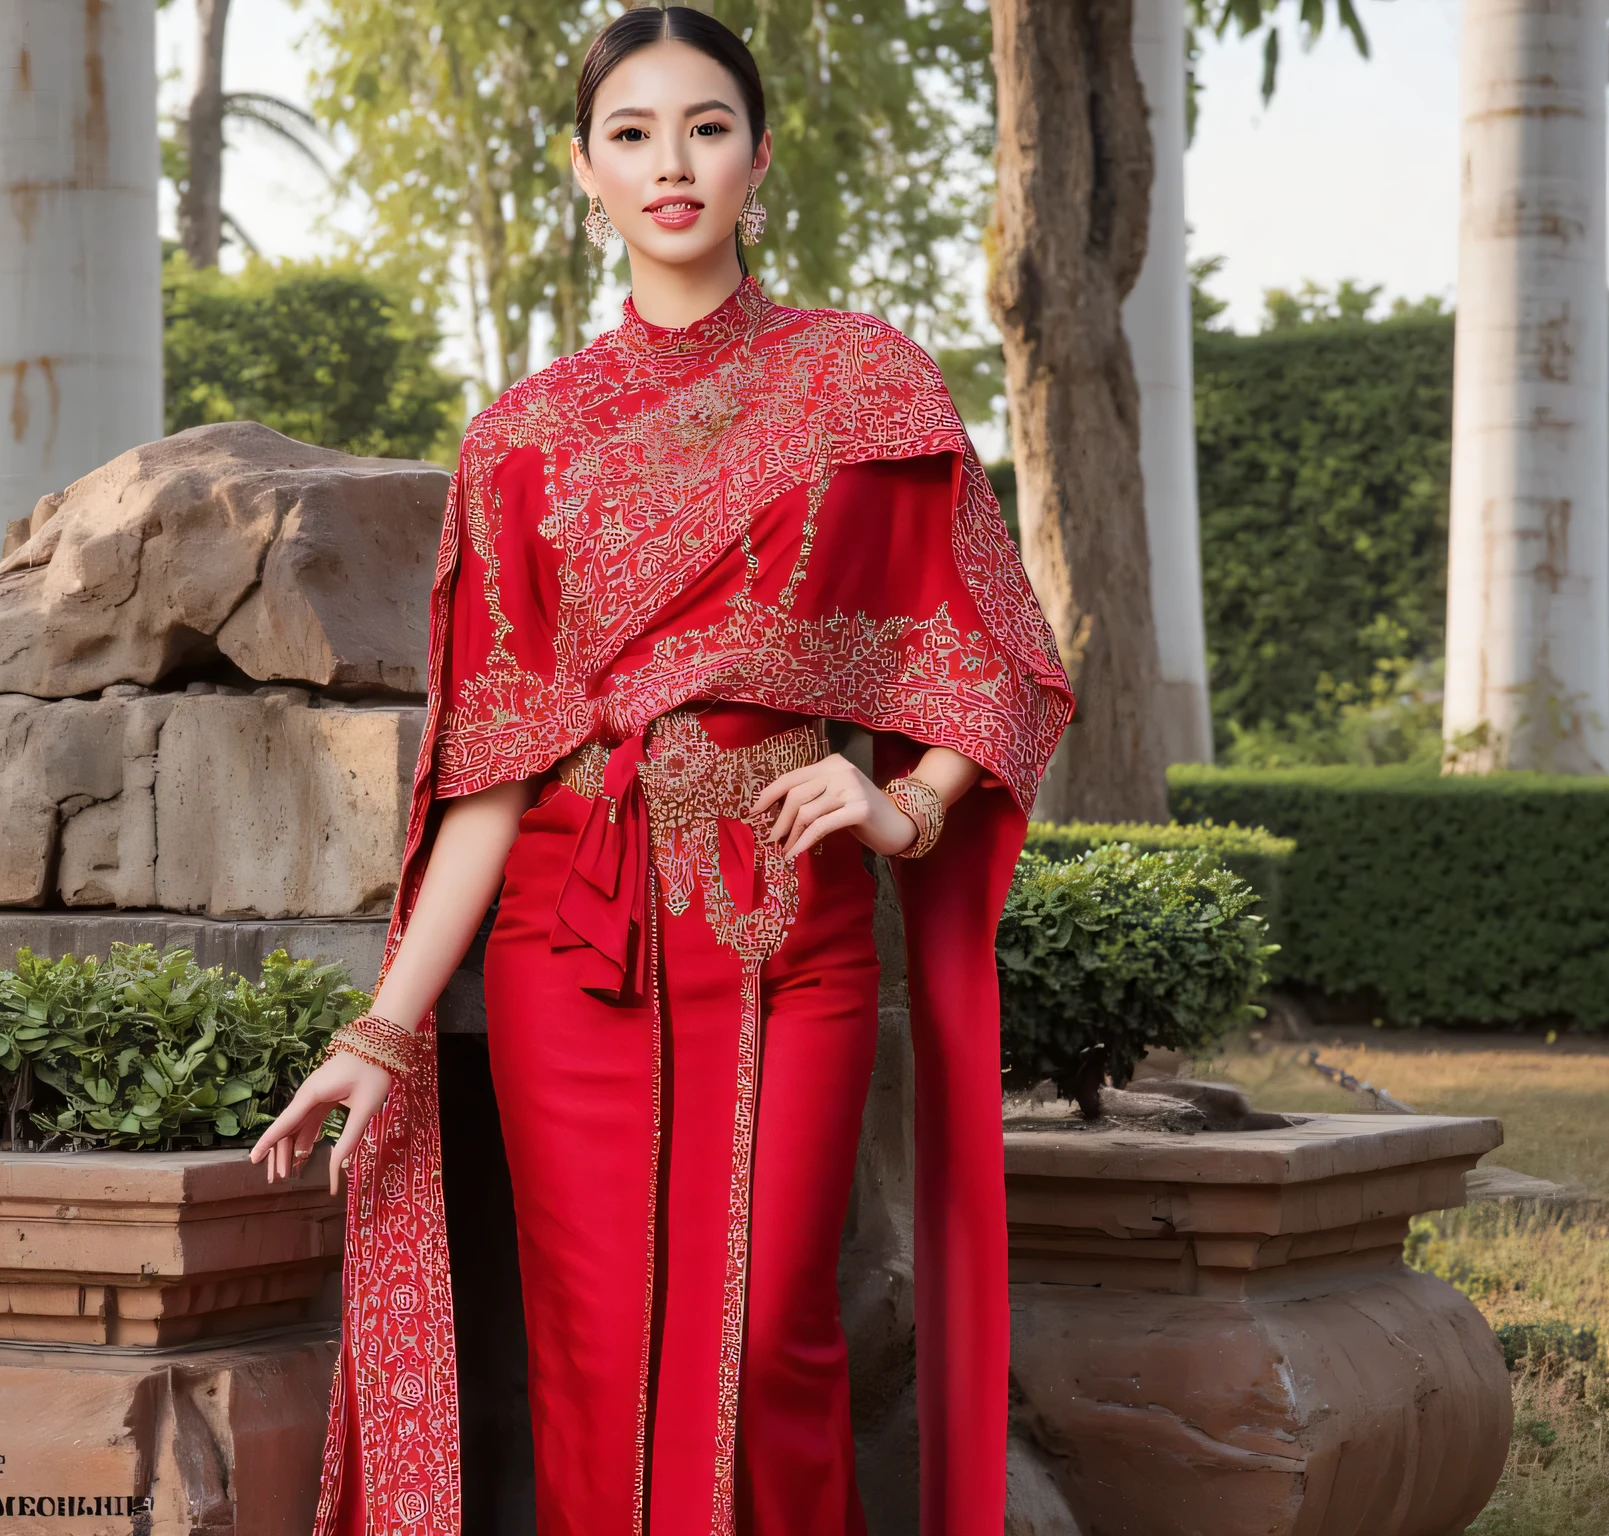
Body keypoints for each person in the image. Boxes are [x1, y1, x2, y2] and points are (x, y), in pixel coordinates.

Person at [251, 8, 1072, 1532]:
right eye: (632, 133)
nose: (672, 162)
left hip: (787, 922)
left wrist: (911, 804)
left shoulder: (864, 385)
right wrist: (383, 1031)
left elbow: (991, 641)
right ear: (586, 169)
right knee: (595, 1361)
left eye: (706, 127)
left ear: (760, 157)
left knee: (772, 1342)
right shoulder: (521, 440)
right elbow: (489, 768)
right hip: (571, 941)